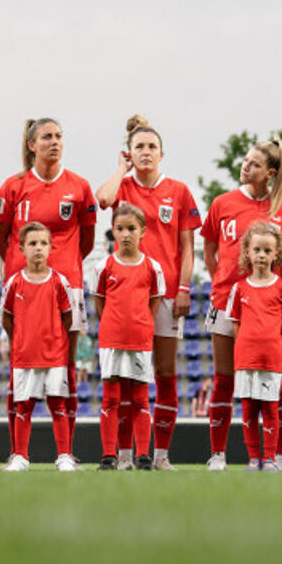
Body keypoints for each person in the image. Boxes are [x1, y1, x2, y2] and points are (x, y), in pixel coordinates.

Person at [96, 114, 201, 470]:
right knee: (126, 380)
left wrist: (184, 287)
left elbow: (187, 246)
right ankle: (125, 455)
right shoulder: (123, 187)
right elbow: (103, 198)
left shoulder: (179, 191)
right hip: (128, 297)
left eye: (152, 147)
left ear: (162, 153)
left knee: (165, 374)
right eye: (139, 147)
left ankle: (160, 455)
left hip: (168, 294)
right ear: (130, 151)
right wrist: (119, 169)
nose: (145, 152)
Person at [0, 117, 97, 456]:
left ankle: (66, 452)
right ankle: (16, 452)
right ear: (31, 145)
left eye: (59, 136)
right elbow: (0, 240)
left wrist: (63, 269)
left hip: (68, 286)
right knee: (18, 367)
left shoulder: (80, 187)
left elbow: (86, 242)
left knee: (66, 367)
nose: (54, 142)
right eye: (47, 137)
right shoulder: (12, 187)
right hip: (23, 286)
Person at [200, 139, 282, 471]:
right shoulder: (222, 203)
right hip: (224, 301)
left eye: (255, 164)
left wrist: (272, 287)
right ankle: (218, 454)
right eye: (246, 160)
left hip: (266, 309)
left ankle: (278, 455)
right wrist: (222, 283)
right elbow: (209, 249)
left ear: (270, 173)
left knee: (273, 382)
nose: (246, 166)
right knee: (223, 379)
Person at [91, 204, 166, 470]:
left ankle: (143, 454)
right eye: (120, 229)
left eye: (131, 229)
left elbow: (154, 303)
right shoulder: (104, 266)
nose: (125, 234)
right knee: (111, 399)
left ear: (142, 232)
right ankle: (109, 455)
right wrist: (112, 324)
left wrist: (140, 323)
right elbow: (100, 302)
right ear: (113, 231)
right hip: (111, 340)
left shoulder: (153, 268)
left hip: (140, 340)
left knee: (140, 399)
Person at [1, 222, 77, 472]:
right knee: (24, 406)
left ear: (50, 247)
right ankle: (20, 456)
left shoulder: (59, 281)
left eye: (43, 243)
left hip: (54, 356)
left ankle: (64, 455)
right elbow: (7, 319)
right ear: (22, 248)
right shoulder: (14, 282)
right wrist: (22, 341)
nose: (38, 248)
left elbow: (68, 318)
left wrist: (55, 341)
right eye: (32, 243)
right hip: (25, 356)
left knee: (58, 404)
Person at [226, 222, 282, 471]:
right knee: (248, 408)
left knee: (269, 407)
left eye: (267, 251)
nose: (261, 255)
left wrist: (279, 346)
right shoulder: (239, 289)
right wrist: (245, 346)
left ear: (275, 254)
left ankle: (269, 457)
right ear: (247, 251)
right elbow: (236, 324)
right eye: (257, 250)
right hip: (245, 357)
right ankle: (253, 458)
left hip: (271, 357)